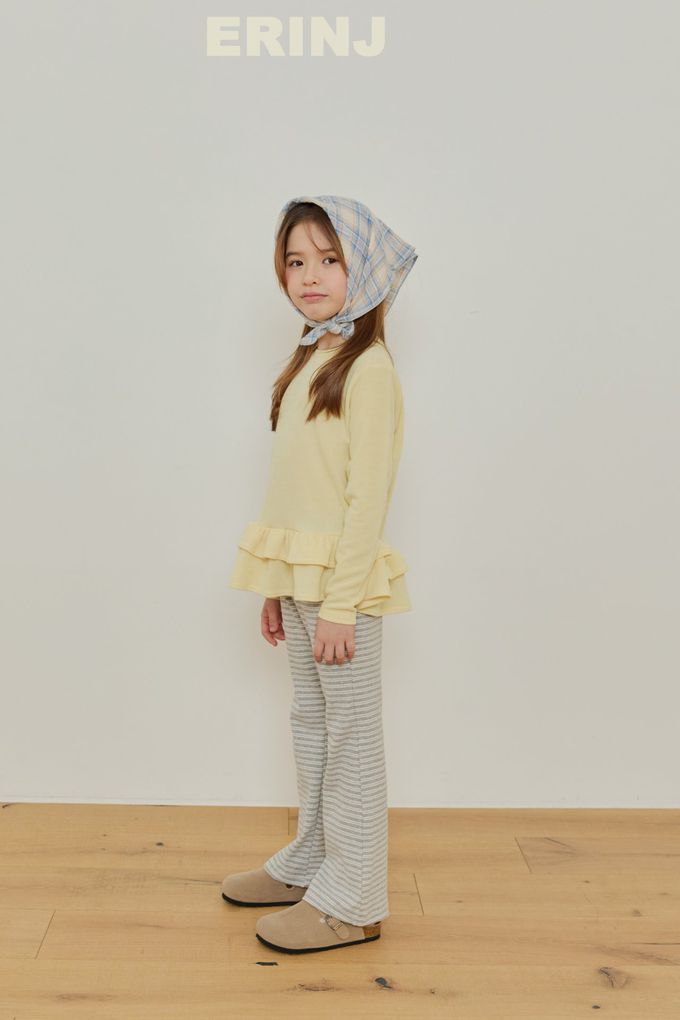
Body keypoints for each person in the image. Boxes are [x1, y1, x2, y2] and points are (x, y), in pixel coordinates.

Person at [222, 194, 418, 954]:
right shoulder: (311, 357)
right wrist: (279, 584)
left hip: (344, 589)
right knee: (311, 722)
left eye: (329, 260)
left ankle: (355, 900)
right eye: (296, 261)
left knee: (352, 734)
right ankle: (313, 862)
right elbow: (297, 491)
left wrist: (339, 602)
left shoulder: (369, 369)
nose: (309, 276)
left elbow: (367, 498)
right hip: (304, 583)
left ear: (361, 269)